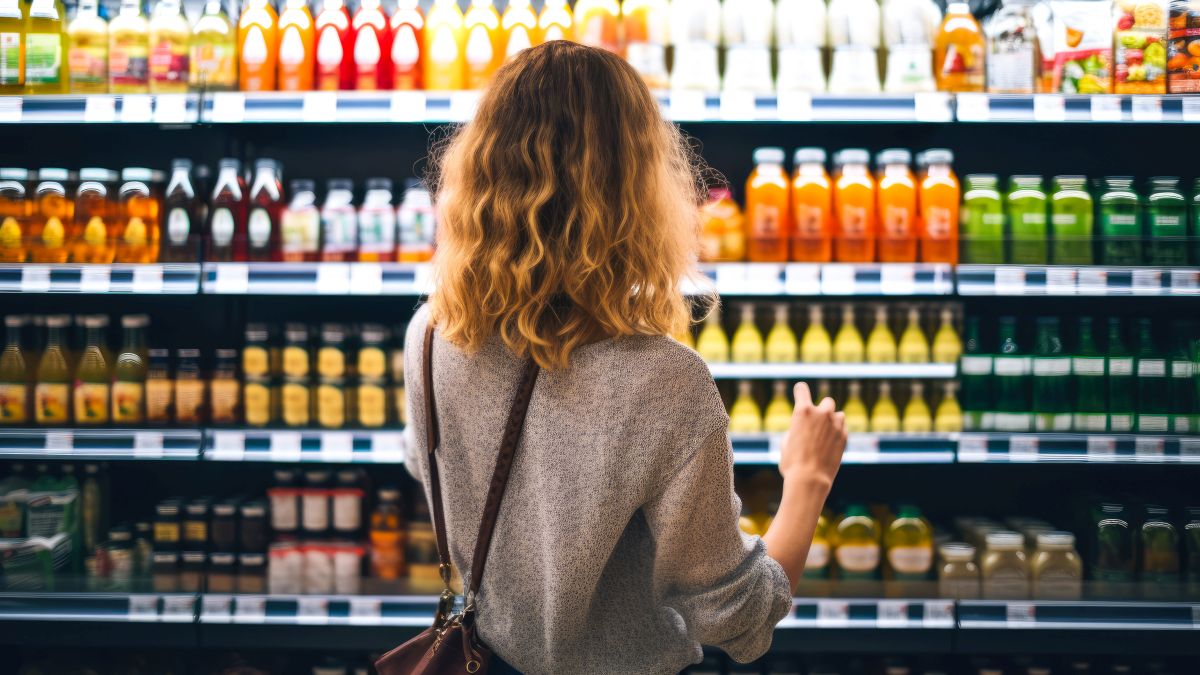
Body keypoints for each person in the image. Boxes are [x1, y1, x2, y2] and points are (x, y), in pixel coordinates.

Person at [404, 40, 846, 675]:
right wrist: (808, 481)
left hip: (483, 659)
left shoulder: (428, 335)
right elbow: (737, 616)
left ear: (477, 169)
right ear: (636, 187)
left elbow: (429, 467)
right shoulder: (663, 380)